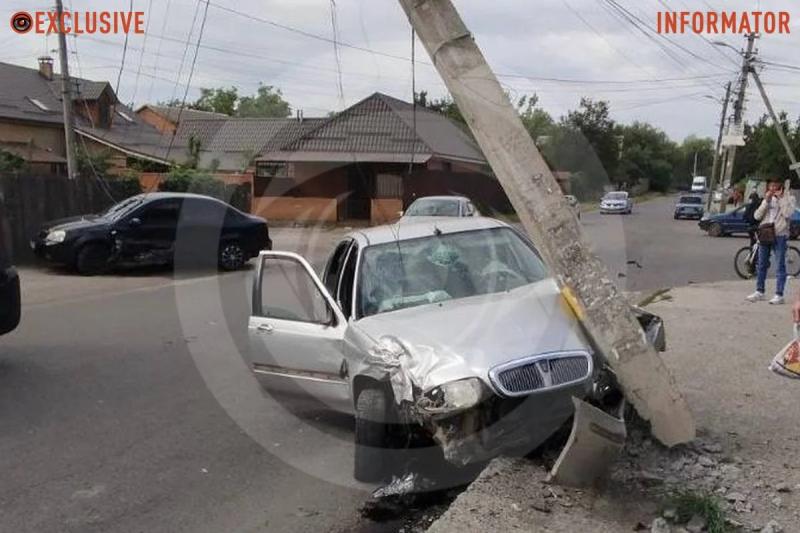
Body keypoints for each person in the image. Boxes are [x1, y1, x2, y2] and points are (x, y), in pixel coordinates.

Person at [747, 180, 796, 305]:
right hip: (765, 233)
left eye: (776, 185)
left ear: (781, 186)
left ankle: (779, 294)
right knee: (762, 263)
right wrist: (766, 202)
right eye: (771, 185)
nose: (773, 188)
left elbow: (788, 214)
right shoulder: (766, 199)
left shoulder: (789, 198)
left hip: (779, 234)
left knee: (780, 265)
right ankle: (760, 291)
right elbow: (757, 216)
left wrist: (781, 199)